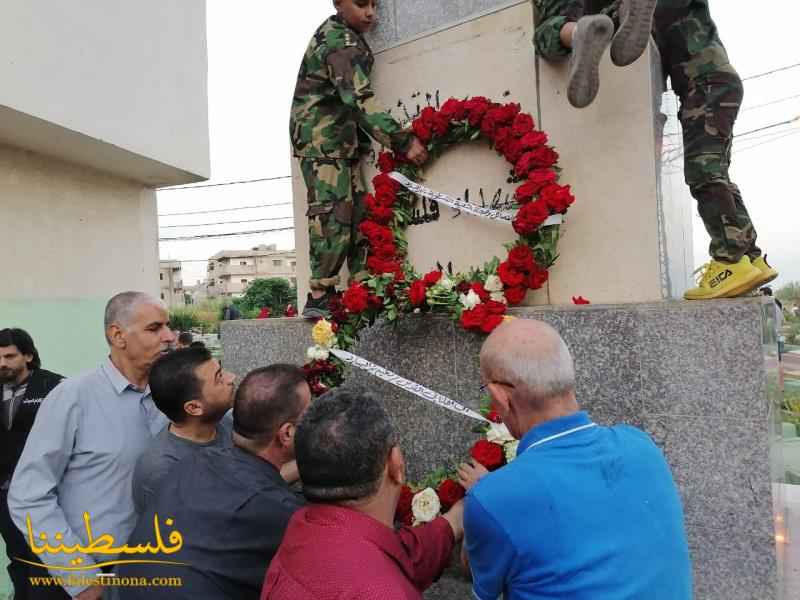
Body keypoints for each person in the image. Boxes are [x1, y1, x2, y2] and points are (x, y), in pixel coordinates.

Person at [533, 0, 778, 299]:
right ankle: (750, 256)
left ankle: (729, 259)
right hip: (717, 81)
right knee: (718, 173)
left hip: (704, 86)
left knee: (704, 173)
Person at [458, 319, 691, 600]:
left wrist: (484, 497)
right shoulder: (641, 445)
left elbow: (482, 583)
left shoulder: (492, 499)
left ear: (500, 398)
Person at [8, 292, 175, 600]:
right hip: (87, 578)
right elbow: (28, 495)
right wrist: (79, 576)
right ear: (117, 335)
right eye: (155, 328)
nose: (169, 337)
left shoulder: (170, 399)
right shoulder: (72, 397)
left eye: (169, 326)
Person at [117, 364, 310, 600]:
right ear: (287, 433)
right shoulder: (279, 512)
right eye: (309, 415)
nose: (230, 377)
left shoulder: (192, 463)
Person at [291, 0, 428, 319]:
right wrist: (402, 140)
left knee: (358, 211)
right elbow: (360, 98)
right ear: (338, 3)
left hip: (343, 140)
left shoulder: (346, 34)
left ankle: (361, 285)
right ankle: (320, 294)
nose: (371, 13)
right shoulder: (339, 40)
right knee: (334, 213)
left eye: (374, 5)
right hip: (322, 142)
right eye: (361, 3)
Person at [261, 390, 462, 600]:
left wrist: (454, 521)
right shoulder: (387, 593)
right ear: (396, 464)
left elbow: (395, 553)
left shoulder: (300, 527)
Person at [131, 347, 235, 514]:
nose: (231, 378)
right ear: (193, 408)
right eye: (219, 378)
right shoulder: (164, 469)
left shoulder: (228, 423)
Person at [0, 329, 64, 600]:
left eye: (9, 356)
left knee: (44, 558)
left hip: (46, 495)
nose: (2, 363)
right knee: (17, 555)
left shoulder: (56, 387)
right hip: (4, 494)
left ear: (28, 355)